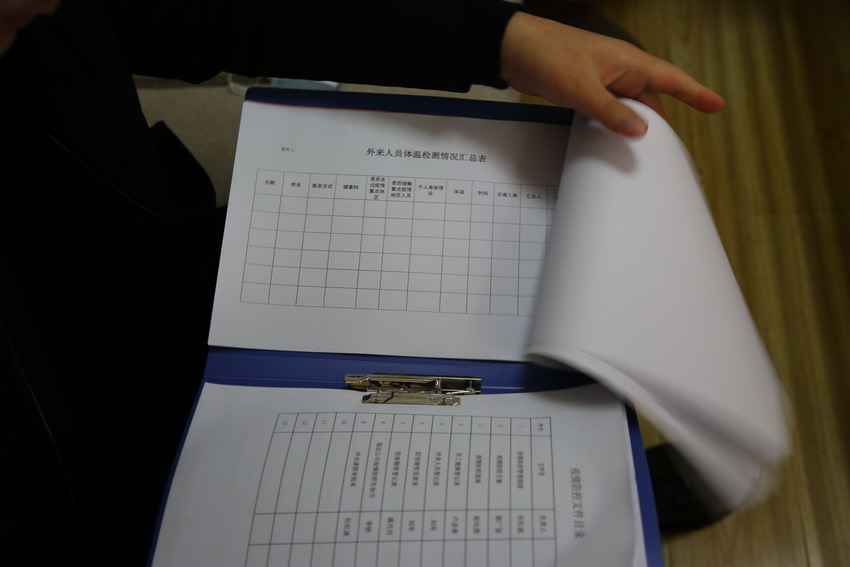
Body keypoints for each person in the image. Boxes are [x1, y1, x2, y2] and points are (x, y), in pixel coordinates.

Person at [0, 1, 724, 565]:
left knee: (503, 414)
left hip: (152, 267)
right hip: (73, 485)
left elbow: (185, 13)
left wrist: (495, 37)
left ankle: (588, 495)